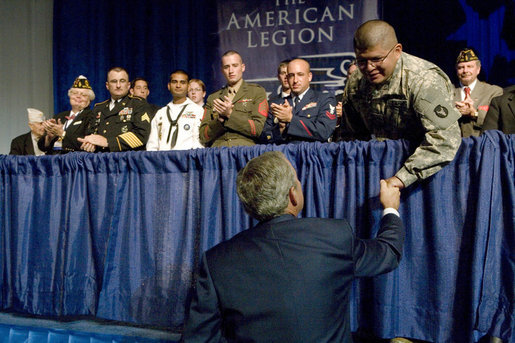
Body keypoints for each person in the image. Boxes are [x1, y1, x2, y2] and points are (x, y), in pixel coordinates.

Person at [183, 151, 404, 343]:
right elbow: (388, 253)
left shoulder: (216, 261)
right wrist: (391, 208)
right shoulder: (334, 236)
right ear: (292, 195)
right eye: (297, 182)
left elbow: (199, 338)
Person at [335, 20, 462, 189]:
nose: (369, 68)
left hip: (425, 177)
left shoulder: (424, 80)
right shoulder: (356, 82)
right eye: (361, 61)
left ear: (397, 51)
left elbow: (445, 139)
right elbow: (350, 137)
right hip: (376, 172)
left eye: (376, 59)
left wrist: (401, 179)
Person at [199, 50, 268, 147]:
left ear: (242, 67)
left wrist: (230, 114)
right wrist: (219, 120)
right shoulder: (213, 98)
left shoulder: (256, 92)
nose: (231, 71)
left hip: (245, 150)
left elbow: (258, 129)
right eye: (226, 67)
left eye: (235, 66)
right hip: (217, 152)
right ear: (222, 70)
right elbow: (203, 136)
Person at [260, 58, 336, 144]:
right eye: (291, 75)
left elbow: (325, 131)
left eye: (300, 75)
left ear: (309, 76)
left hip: (311, 155)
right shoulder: (277, 104)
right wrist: (281, 128)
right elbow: (264, 138)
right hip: (284, 155)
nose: (295, 80)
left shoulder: (324, 99)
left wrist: (290, 119)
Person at [79, 67, 151, 152]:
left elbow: (142, 135)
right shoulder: (98, 108)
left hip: (126, 159)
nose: (118, 85)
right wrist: (90, 143)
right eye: (114, 81)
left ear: (128, 85)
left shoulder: (138, 104)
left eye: (122, 81)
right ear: (107, 85)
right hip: (99, 159)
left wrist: (108, 142)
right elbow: (90, 134)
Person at [146, 70, 204, 151]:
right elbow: (152, 145)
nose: (178, 85)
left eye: (182, 82)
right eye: (174, 82)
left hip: (187, 160)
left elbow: (199, 143)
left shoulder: (197, 111)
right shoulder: (161, 113)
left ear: (188, 87)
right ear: (169, 86)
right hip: (162, 161)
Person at [38, 75, 95, 154]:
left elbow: (87, 144)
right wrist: (50, 137)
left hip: (74, 161)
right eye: (75, 93)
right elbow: (42, 147)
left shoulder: (92, 117)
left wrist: (63, 133)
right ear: (70, 96)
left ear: (90, 100)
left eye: (83, 95)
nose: (78, 96)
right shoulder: (59, 116)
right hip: (52, 160)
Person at [453, 48, 503, 137]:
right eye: (461, 67)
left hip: (482, 146)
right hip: (454, 147)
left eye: (470, 66)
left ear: (478, 69)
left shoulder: (493, 92)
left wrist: (474, 113)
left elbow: (500, 121)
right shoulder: (447, 91)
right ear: (456, 70)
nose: (465, 71)